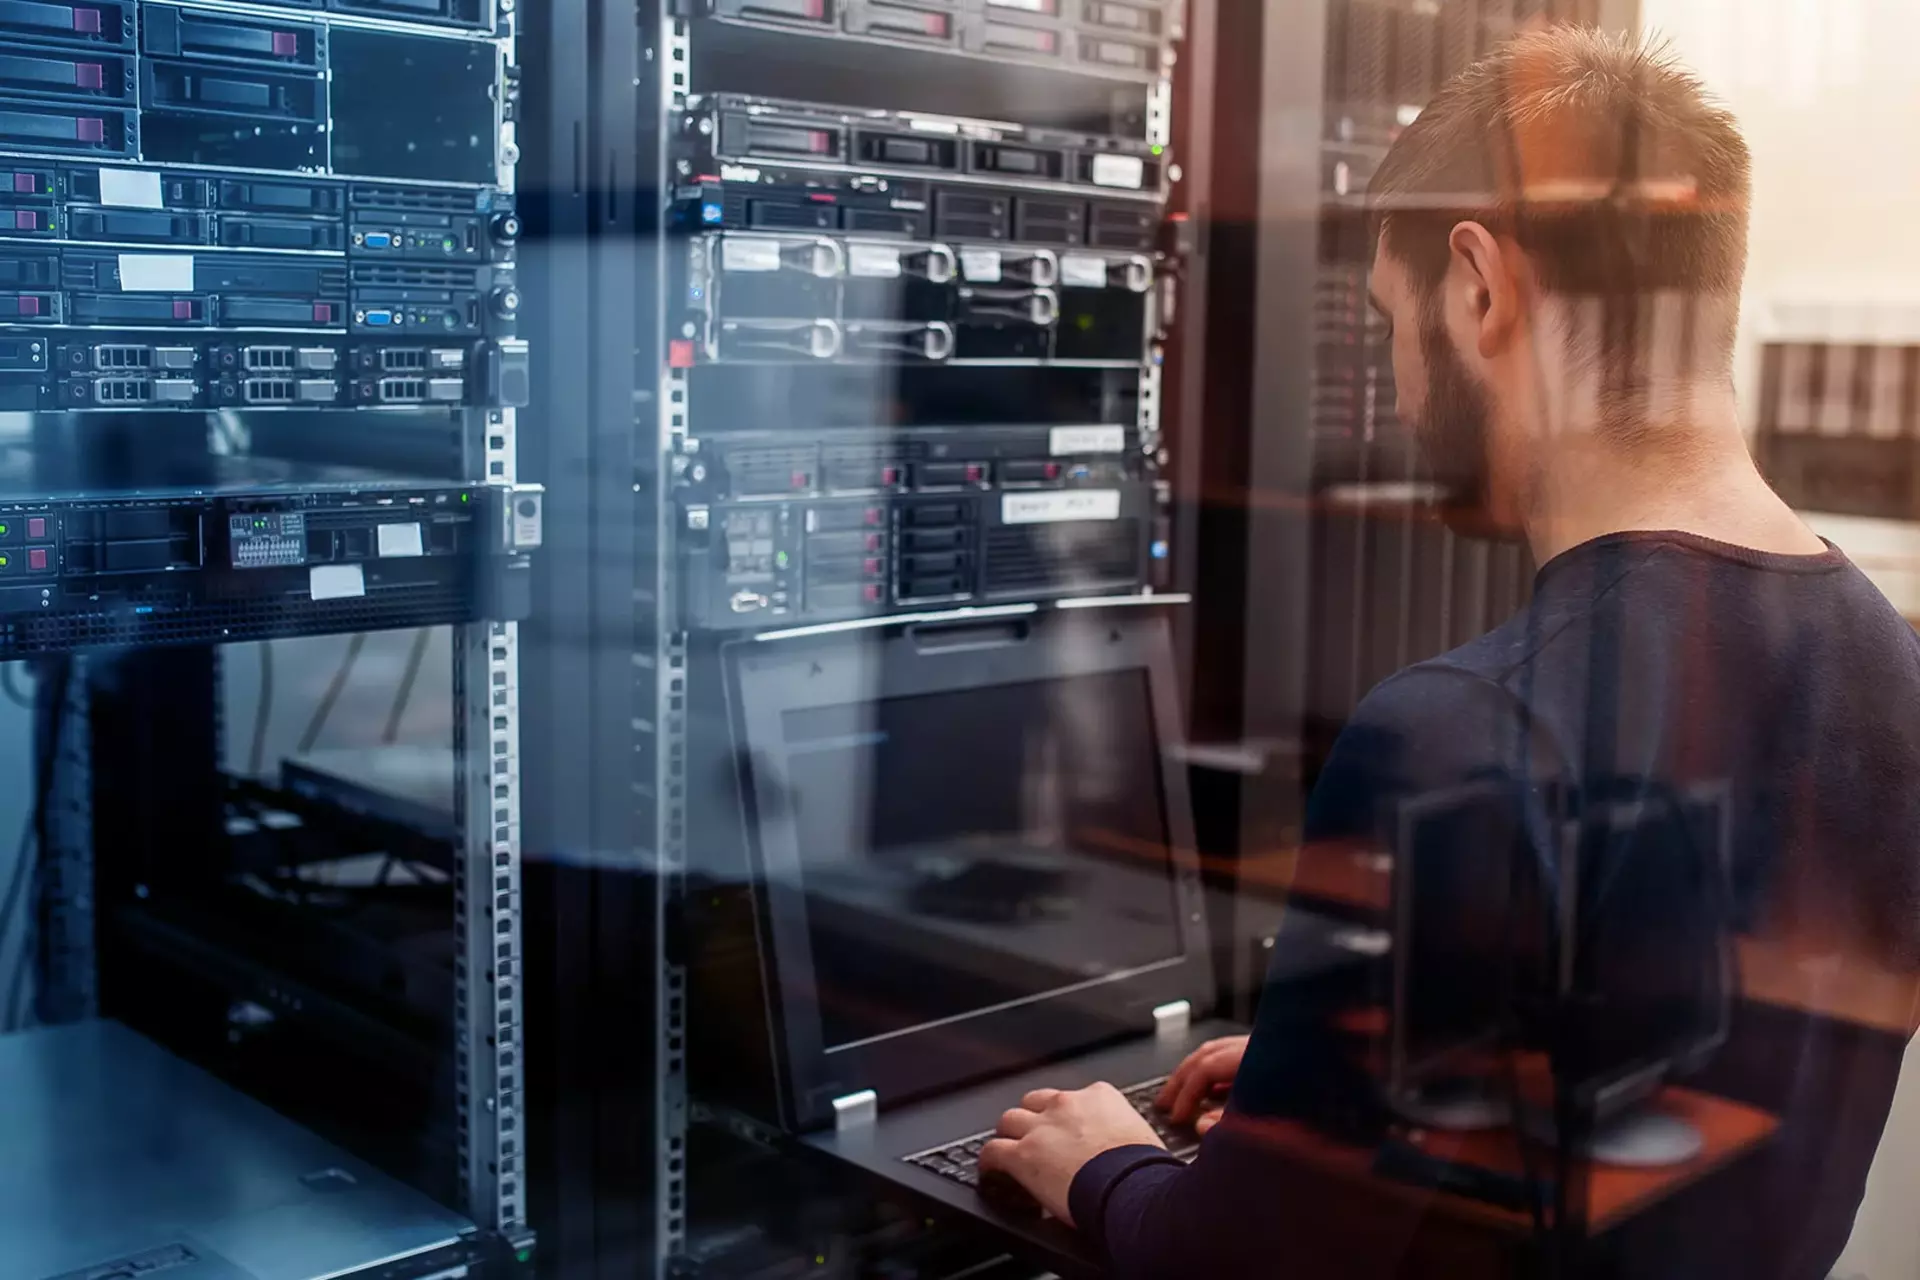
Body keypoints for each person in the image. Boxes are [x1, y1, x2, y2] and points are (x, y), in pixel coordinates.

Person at [977, 26, 1920, 1280]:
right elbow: (1659, 1071)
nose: (1401, 378)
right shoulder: (1894, 670)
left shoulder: (1460, 732)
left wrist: (1102, 1158)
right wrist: (1337, 1086)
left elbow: (1242, 1266)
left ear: (1479, 285)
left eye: (1391, 322)